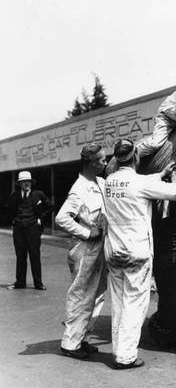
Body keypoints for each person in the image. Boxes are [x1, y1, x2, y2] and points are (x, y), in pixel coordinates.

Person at [104, 138, 176, 369]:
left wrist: (161, 173)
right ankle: (125, 357)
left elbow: (135, 182)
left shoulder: (110, 181)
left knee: (119, 303)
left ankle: (118, 351)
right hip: (136, 251)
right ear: (136, 157)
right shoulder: (139, 184)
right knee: (135, 304)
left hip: (113, 250)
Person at [56, 143, 108, 360]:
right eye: (102, 160)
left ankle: (83, 338)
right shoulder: (79, 188)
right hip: (85, 247)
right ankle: (69, 343)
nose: (106, 163)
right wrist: (88, 232)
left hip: (101, 247)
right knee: (80, 295)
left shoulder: (102, 183)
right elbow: (61, 218)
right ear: (92, 163)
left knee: (97, 295)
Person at [6, 171, 54, 290]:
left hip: (33, 228)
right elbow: (9, 209)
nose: (26, 183)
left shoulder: (38, 194)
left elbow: (50, 206)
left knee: (34, 255)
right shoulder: (15, 195)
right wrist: (13, 220)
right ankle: (20, 282)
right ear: (20, 184)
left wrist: (40, 217)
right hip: (19, 228)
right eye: (23, 182)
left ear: (31, 182)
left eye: (28, 181)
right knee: (20, 256)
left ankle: (38, 283)